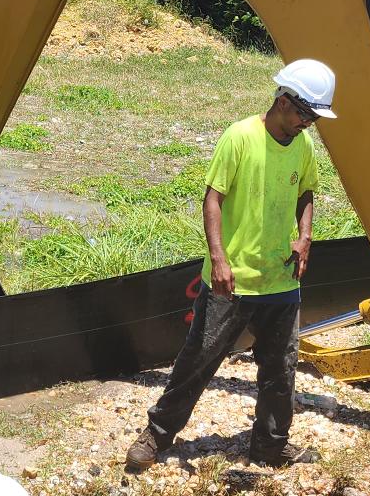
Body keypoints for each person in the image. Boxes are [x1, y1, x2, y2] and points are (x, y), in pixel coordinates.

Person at [125, 59, 335, 474]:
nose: (308, 124)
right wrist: (219, 259)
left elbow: (307, 192)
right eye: (305, 114)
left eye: (313, 117)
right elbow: (212, 199)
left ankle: (270, 448)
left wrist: (305, 235)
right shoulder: (240, 137)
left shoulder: (304, 146)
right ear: (283, 100)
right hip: (231, 281)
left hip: (280, 279)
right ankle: (157, 434)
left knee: (281, 369)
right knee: (199, 359)